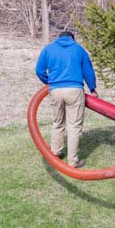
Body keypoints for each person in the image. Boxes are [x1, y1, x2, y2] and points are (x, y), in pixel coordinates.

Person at [35, 31, 98, 168]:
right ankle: (73, 161)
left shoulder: (48, 49)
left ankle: (55, 154)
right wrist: (92, 88)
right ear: (72, 38)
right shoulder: (79, 49)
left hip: (55, 91)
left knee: (58, 123)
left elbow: (39, 70)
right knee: (74, 126)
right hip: (74, 90)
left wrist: (50, 82)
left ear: (59, 38)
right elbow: (88, 71)